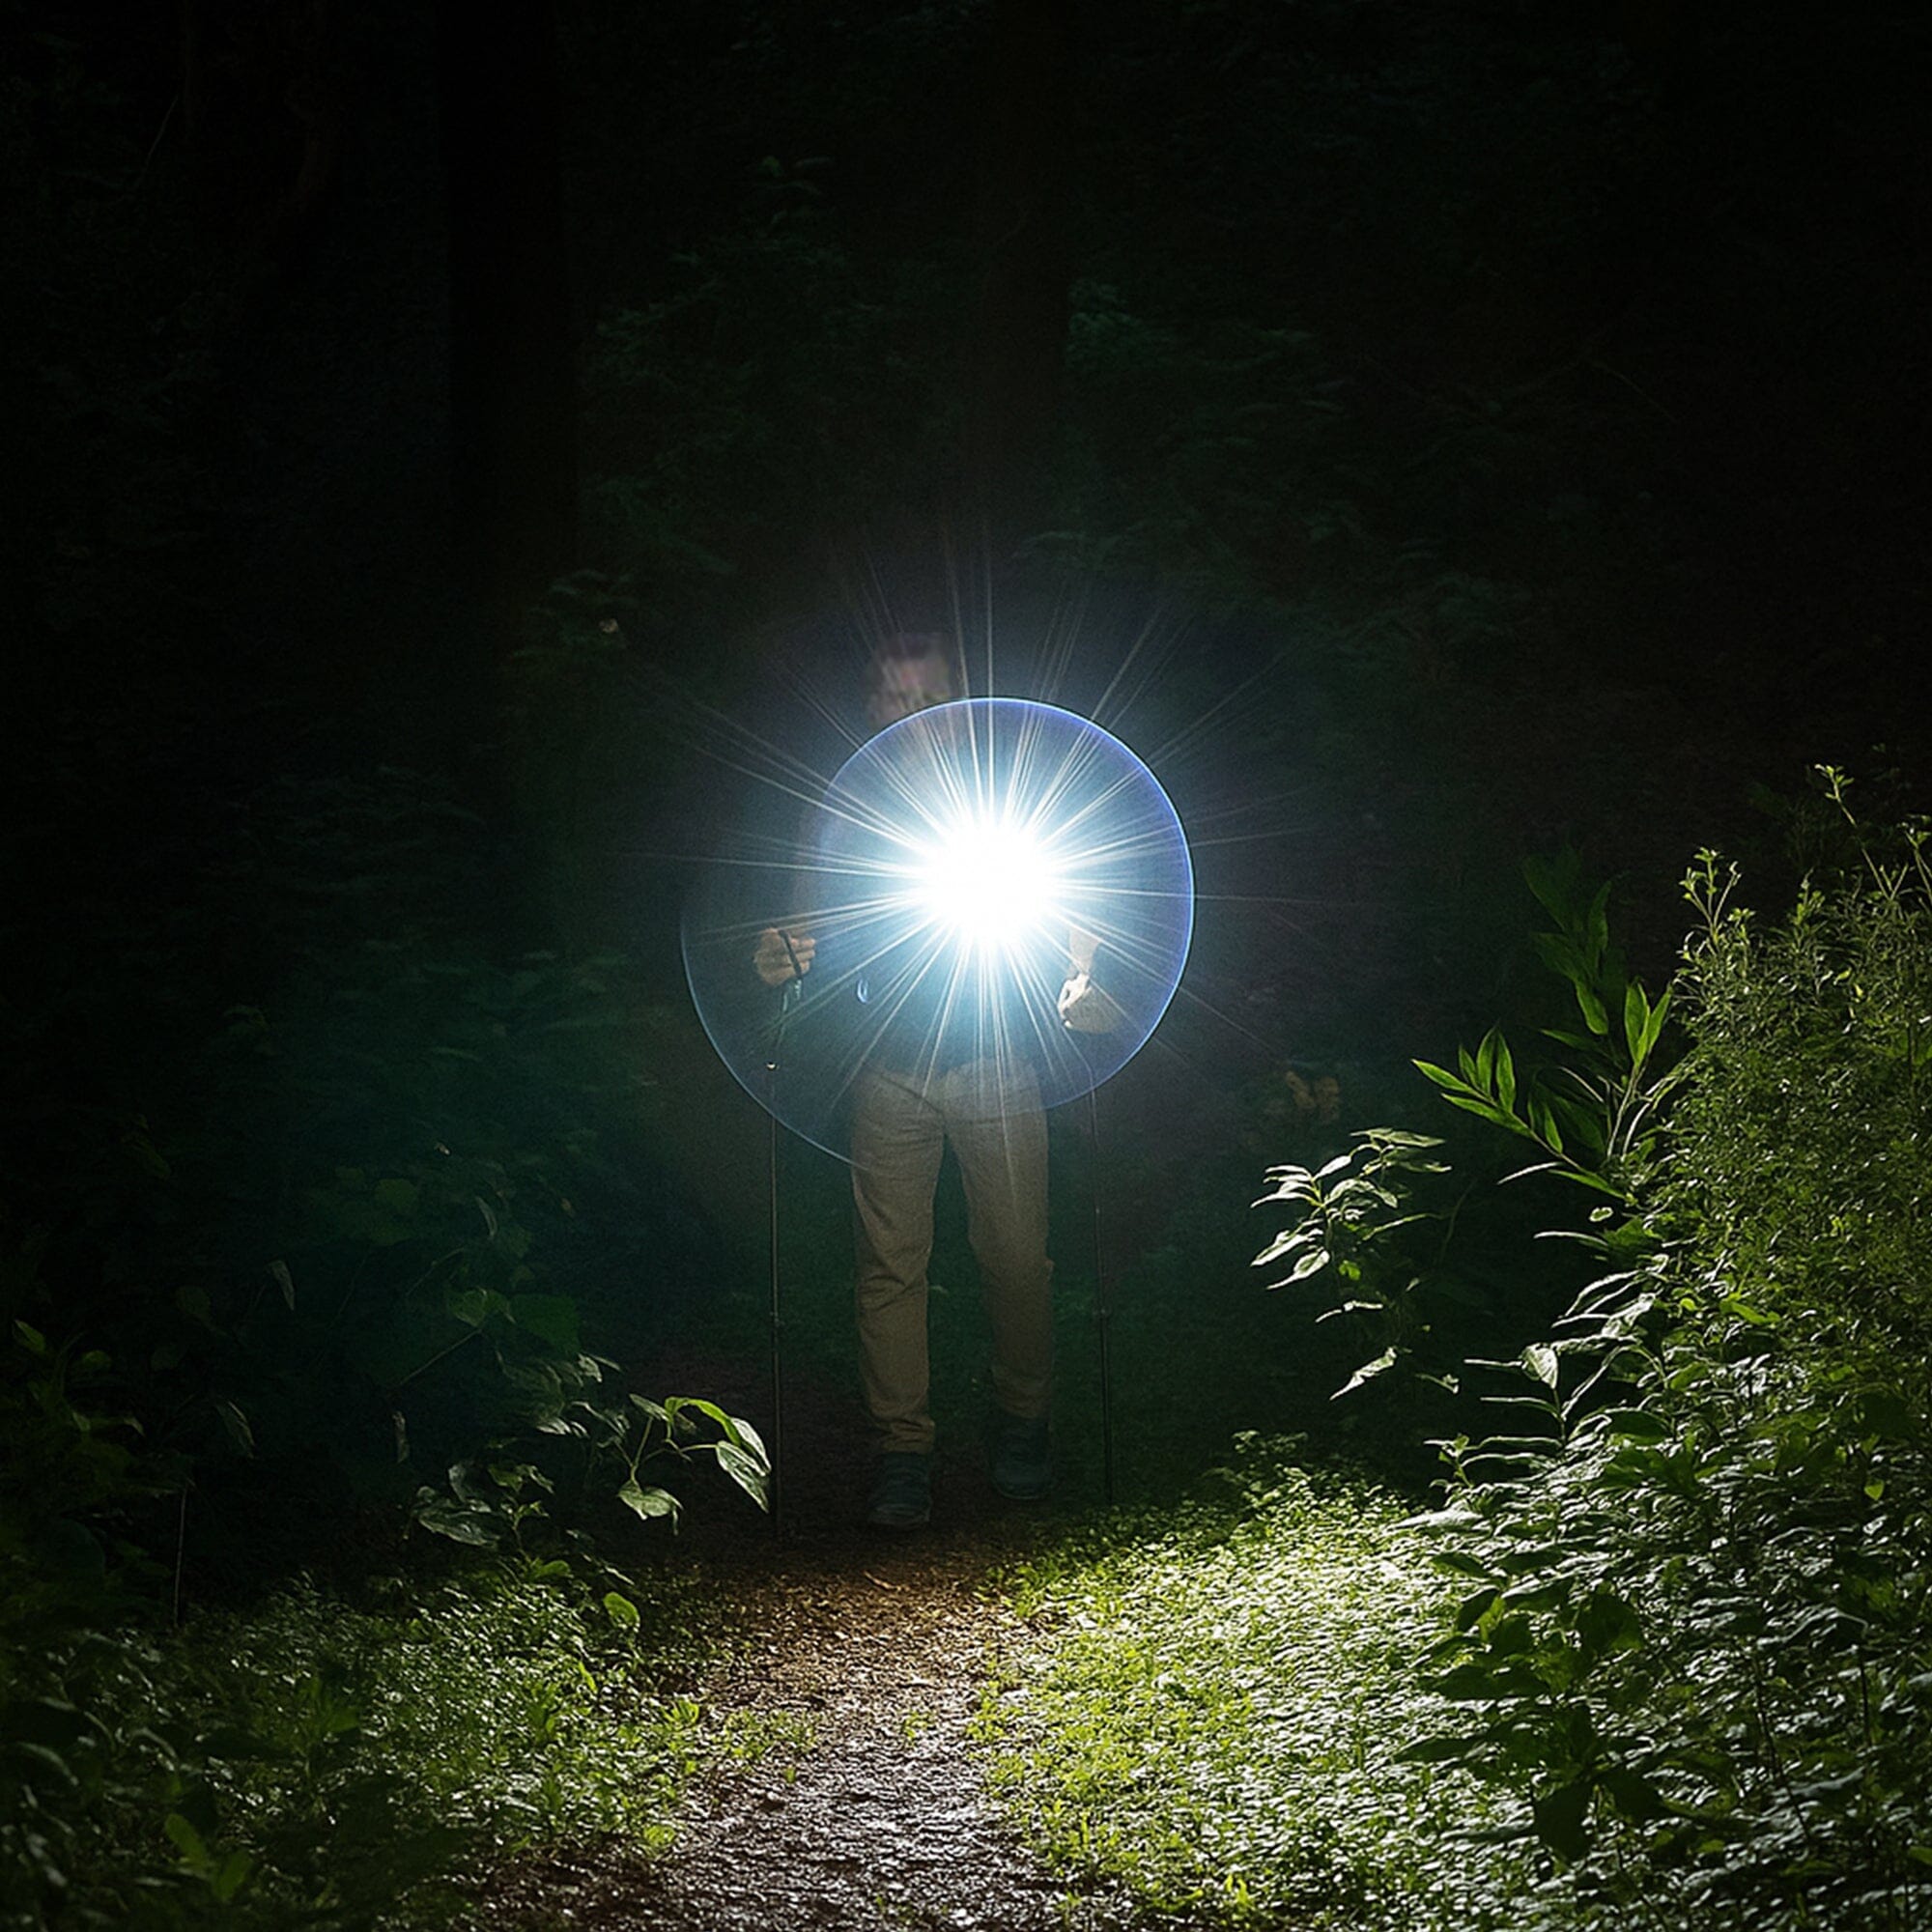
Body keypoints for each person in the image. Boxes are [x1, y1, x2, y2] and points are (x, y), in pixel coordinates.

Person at [753, 633, 1116, 1529]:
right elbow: (801, 926)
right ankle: (901, 1449)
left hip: (999, 1057)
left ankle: (1024, 1419)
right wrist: (777, 957)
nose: (914, 718)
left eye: (930, 699)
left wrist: (1088, 974)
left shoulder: (1007, 798)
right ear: (872, 710)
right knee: (888, 1264)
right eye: (895, 700)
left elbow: (1074, 898)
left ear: (961, 705)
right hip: (887, 1065)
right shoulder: (846, 807)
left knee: (1016, 1256)